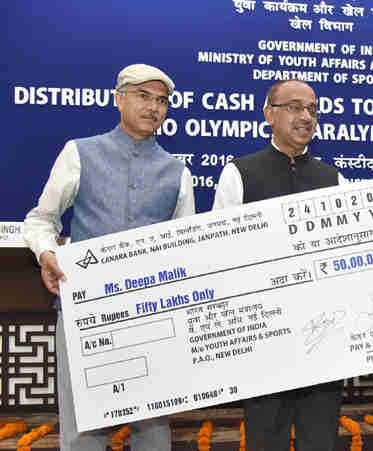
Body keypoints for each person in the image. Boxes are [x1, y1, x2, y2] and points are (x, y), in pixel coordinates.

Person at [23, 63, 195, 450]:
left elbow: (184, 248)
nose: (153, 107)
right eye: (142, 96)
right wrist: (47, 253)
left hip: (151, 320)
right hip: (84, 316)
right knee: (83, 432)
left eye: (162, 101)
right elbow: (40, 220)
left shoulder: (177, 172)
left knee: (153, 432)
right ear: (118, 100)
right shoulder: (79, 153)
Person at [213, 79, 345, 451]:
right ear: (269, 114)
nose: (306, 116)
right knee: (264, 440)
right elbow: (218, 255)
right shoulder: (238, 173)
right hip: (263, 337)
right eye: (295, 107)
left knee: (319, 440)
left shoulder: (334, 178)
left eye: (313, 109)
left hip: (323, 336)